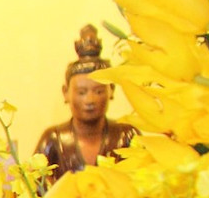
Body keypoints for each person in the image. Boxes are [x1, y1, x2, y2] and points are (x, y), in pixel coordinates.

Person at [33, 24, 135, 183]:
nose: (90, 100)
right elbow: (33, 189)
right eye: (81, 92)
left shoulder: (126, 136)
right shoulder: (53, 140)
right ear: (65, 93)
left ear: (112, 91)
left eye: (99, 91)